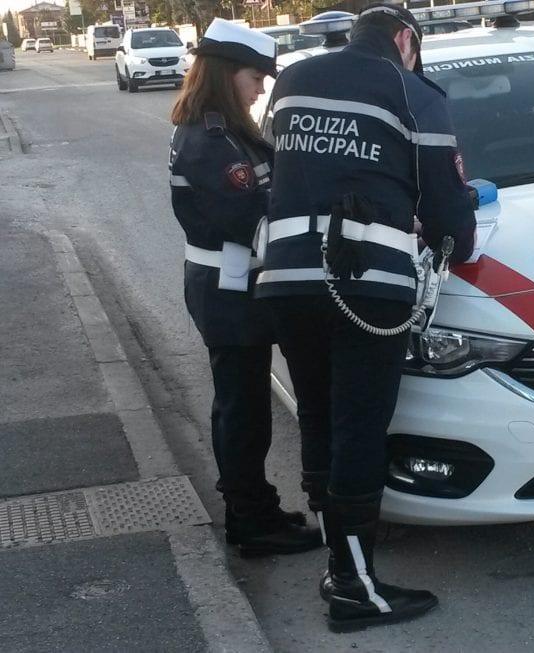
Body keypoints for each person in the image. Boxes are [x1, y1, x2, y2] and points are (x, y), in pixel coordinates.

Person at [255, 3, 476, 632]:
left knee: (321, 419)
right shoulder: (413, 92)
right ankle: (355, 588)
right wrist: (454, 236)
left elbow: (280, 172)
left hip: (287, 280)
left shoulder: (294, 81)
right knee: (360, 428)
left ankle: (339, 564)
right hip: (365, 284)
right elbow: (446, 206)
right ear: (405, 40)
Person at [169, 18, 321, 557]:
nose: (261, 88)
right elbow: (256, 223)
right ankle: (250, 522)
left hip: (234, 287)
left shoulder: (227, 132)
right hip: (228, 287)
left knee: (246, 404)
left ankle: (255, 506)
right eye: (256, 77)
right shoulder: (210, 142)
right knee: (242, 409)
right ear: (227, 74)